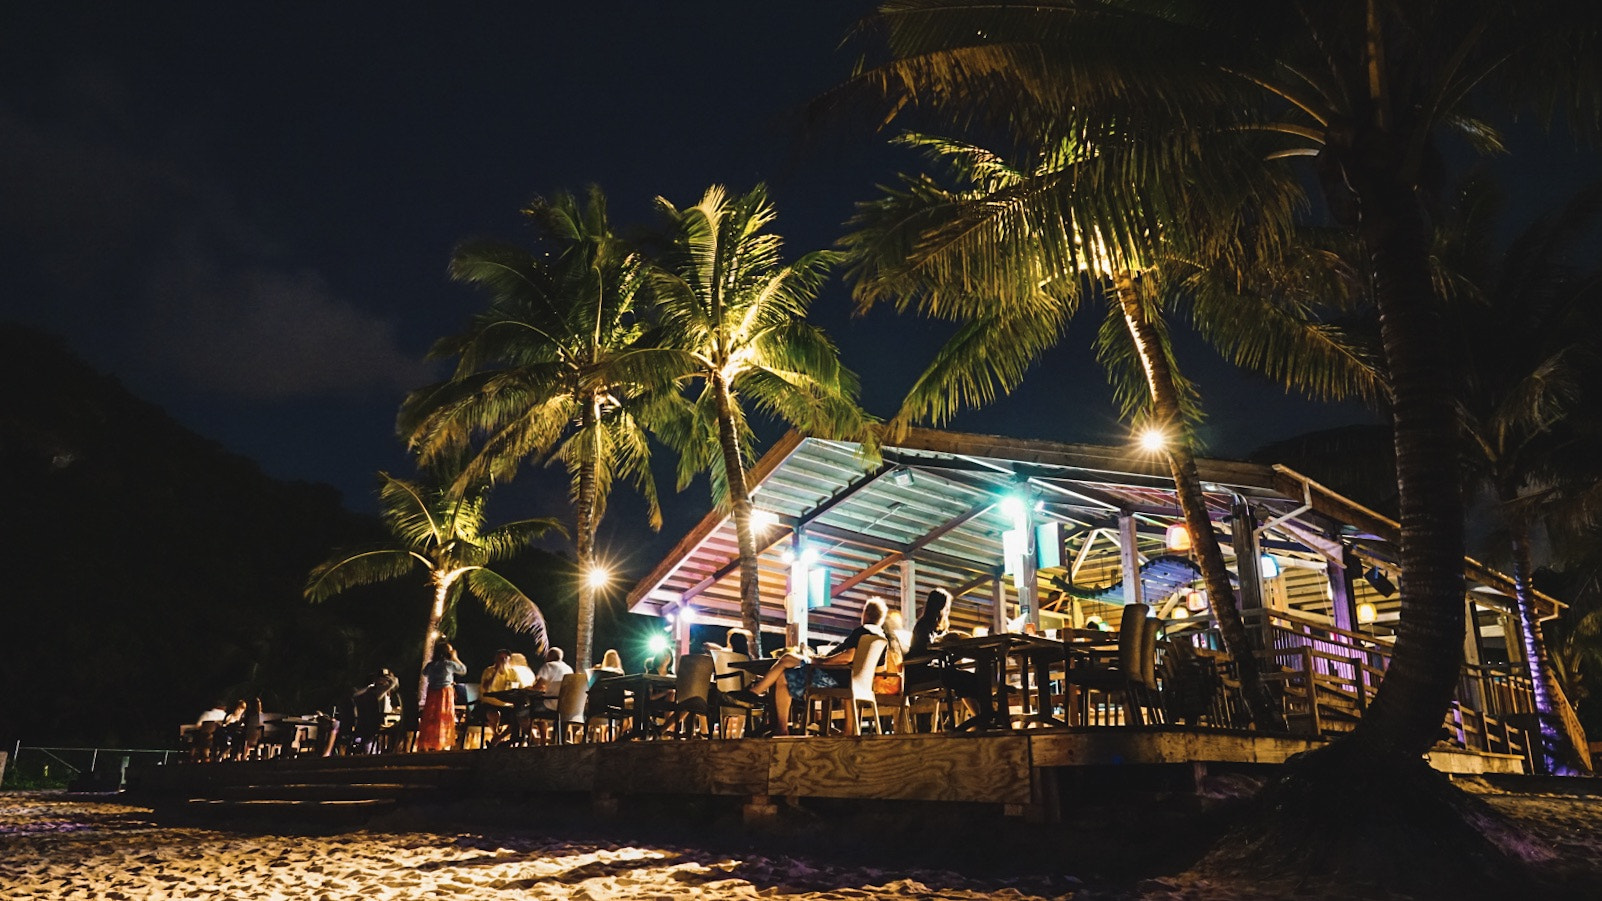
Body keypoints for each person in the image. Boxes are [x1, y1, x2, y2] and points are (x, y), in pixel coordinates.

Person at [731, 598, 890, 736]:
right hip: (851, 681)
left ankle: (757, 698)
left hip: (831, 676)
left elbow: (848, 656)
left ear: (866, 614)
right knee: (785, 669)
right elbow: (879, 670)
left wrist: (821, 661)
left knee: (786, 660)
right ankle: (760, 701)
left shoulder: (862, 632)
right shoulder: (881, 640)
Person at [908, 587, 992, 727]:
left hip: (932, 668)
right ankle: (981, 718)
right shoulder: (923, 626)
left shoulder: (935, 627)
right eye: (947, 608)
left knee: (970, 678)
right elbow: (926, 651)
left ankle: (981, 717)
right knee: (964, 679)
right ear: (941, 608)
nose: (948, 611)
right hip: (920, 672)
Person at [419, 641, 466, 751]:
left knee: (432, 717)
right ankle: (441, 743)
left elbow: (424, 673)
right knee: (444, 717)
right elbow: (463, 670)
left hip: (432, 693)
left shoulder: (431, 665)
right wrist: (455, 658)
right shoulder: (449, 664)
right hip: (444, 692)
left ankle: (429, 743)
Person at [478, 649, 524, 743]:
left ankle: (497, 739)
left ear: (509, 660)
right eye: (500, 658)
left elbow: (520, 688)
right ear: (496, 659)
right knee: (494, 714)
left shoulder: (512, 673)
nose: (502, 661)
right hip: (489, 703)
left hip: (506, 704)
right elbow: (486, 688)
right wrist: (496, 672)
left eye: (505, 659)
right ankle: (497, 736)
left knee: (518, 718)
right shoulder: (489, 671)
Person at [531, 647, 574, 743]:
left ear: (549, 656)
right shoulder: (569, 669)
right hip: (565, 705)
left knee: (524, 711)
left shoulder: (548, 666)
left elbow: (538, 686)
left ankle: (538, 739)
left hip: (550, 704)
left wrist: (531, 687)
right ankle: (544, 740)